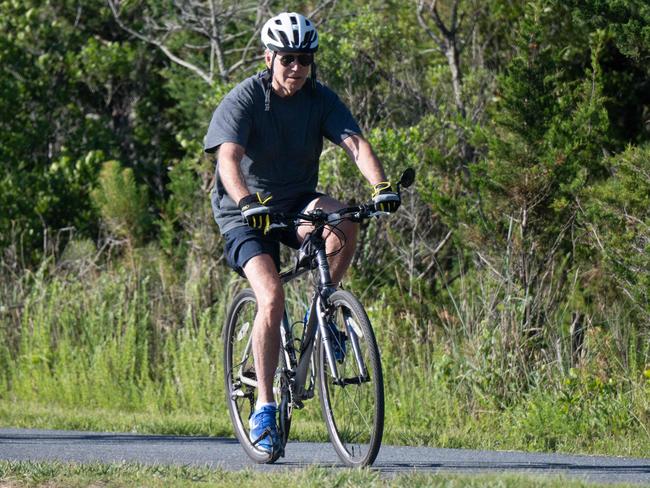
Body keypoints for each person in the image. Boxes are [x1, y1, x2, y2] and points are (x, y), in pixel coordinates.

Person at [204, 11, 400, 456]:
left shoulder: (319, 98)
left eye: (305, 59)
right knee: (271, 295)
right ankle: (266, 407)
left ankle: (325, 307)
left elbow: (355, 144)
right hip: (244, 210)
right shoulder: (245, 99)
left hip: (295, 203)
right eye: (288, 58)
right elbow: (228, 160)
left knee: (343, 219)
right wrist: (246, 202)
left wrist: (381, 187)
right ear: (269, 57)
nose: (296, 67)